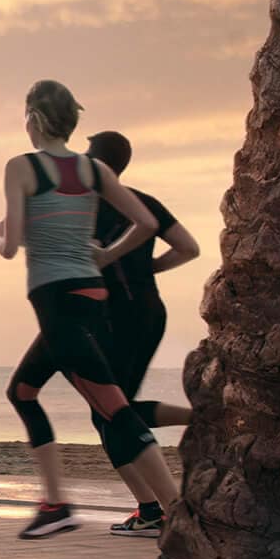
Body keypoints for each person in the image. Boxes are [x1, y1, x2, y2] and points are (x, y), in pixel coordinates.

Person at [0, 80, 182, 540]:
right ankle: (55, 503)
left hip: (58, 302)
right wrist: (106, 255)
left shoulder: (22, 168)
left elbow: (11, 245)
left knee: (114, 410)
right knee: (22, 391)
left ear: (34, 119)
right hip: (88, 297)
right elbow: (148, 223)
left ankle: (178, 513)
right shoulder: (92, 172)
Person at [84, 129, 198, 535]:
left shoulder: (85, 204)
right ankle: (151, 506)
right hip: (150, 310)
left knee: (111, 411)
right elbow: (188, 247)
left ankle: (153, 510)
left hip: (115, 315)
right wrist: (149, 268)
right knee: (114, 409)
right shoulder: (143, 203)